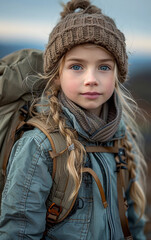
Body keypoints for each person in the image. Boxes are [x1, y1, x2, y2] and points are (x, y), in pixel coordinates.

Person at [0, 0, 147, 239]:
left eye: (104, 67)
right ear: (57, 75)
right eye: (77, 66)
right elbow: (19, 231)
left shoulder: (121, 139)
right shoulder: (39, 146)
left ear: (118, 74)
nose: (91, 79)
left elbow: (136, 223)